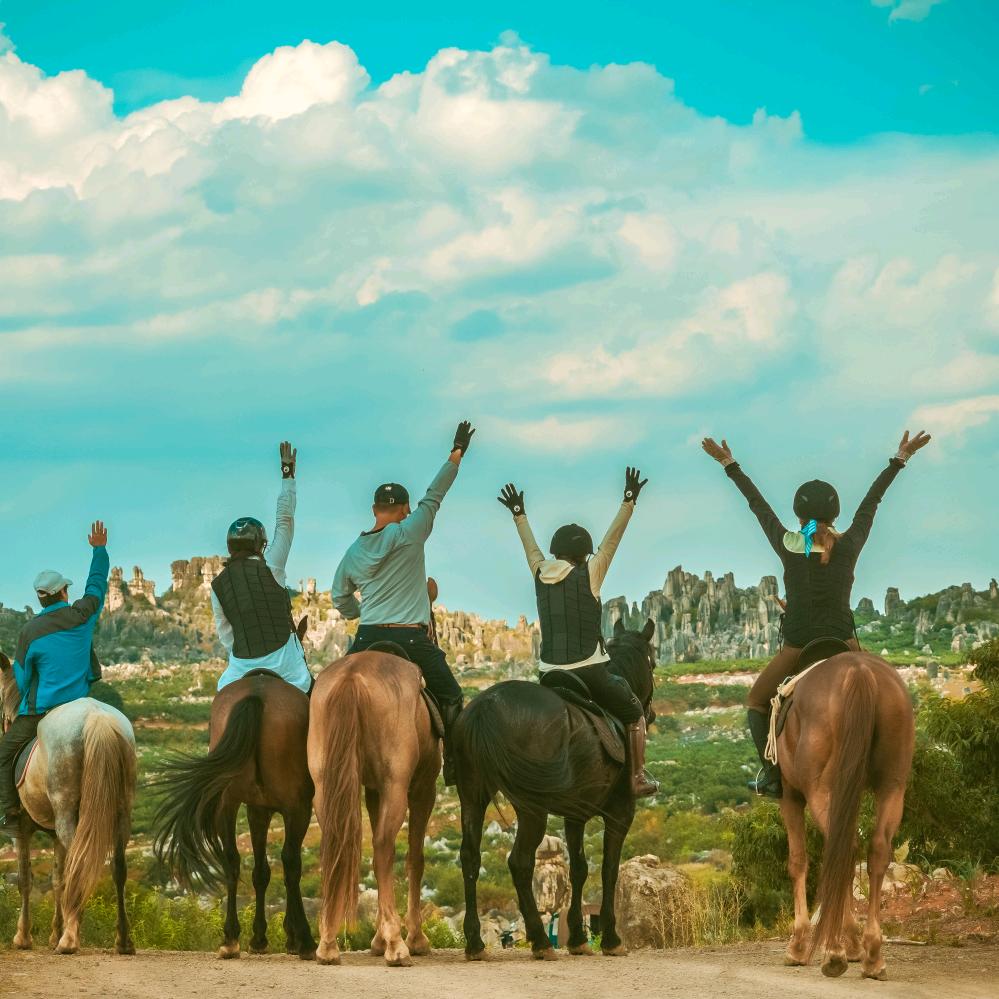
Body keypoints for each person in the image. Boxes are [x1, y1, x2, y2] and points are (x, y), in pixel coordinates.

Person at [701, 429, 932, 797]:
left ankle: (772, 776)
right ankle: (892, 768)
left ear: (798, 514)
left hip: (797, 643)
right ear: (835, 512)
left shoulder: (787, 544)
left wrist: (729, 464)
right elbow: (872, 503)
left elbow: (756, 504)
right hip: (843, 638)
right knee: (884, 695)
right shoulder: (851, 542)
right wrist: (900, 458)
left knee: (756, 702)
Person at [497, 467, 659, 798]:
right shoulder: (589, 573)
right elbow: (612, 541)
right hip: (590, 670)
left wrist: (519, 514)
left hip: (548, 673)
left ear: (555, 551)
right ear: (584, 553)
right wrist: (628, 501)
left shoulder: (540, 571)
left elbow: (529, 548)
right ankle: (637, 776)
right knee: (633, 712)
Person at [332, 420, 475, 784]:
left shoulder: (352, 552)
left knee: (329, 694)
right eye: (408, 510)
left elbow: (339, 597)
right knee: (453, 696)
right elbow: (436, 494)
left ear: (374, 508)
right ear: (403, 509)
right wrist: (456, 453)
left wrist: (361, 612)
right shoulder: (411, 531)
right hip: (410, 639)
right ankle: (456, 765)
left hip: (366, 638)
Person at [0, 521, 111, 828]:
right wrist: (99, 549)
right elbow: (97, 584)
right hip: (81, 705)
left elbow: (21, 681)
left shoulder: (29, 632)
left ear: (40, 598)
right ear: (64, 591)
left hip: (42, 713)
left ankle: (9, 812)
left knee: (3, 755)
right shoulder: (81, 614)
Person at [211, 441, 312, 695]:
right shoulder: (273, 565)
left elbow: (226, 636)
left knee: (221, 700)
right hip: (285, 664)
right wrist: (288, 476)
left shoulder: (218, 585)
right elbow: (284, 522)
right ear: (261, 544)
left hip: (241, 665)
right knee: (313, 700)